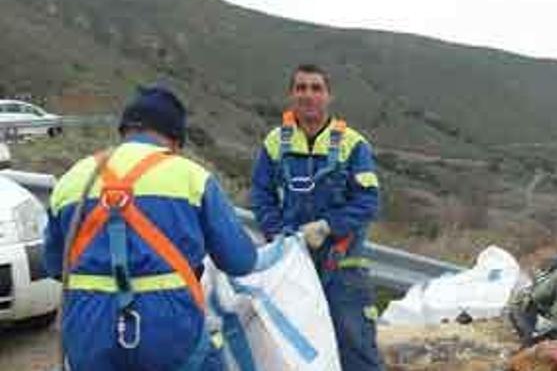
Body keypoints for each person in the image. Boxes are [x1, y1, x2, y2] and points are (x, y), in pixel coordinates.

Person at [43, 86, 259, 371]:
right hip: (170, 334)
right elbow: (240, 261)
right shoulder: (192, 178)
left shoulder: (71, 181)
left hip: (88, 335)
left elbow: (55, 266)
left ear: (124, 131)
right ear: (175, 139)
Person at [251, 64, 382, 370]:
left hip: (342, 266)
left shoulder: (352, 145)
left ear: (328, 96)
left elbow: (368, 201)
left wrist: (328, 226)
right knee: (290, 349)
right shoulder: (275, 143)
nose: (307, 95)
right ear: (291, 94)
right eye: (301, 88)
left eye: (315, 88)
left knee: (355, 347)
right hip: (291, 265)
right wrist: (278, 232)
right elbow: (261, 194)